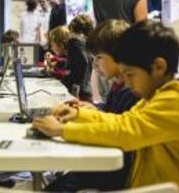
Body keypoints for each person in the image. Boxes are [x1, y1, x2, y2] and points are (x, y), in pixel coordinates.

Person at [33, 21, 179, 192]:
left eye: (130, 75)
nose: (127, 83)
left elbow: (126, 130)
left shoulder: (177, 101)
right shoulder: (155, 97)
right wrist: (78, 114)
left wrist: (62, 130)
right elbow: (121, 120)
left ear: (158, 67)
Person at [45, 19, 140, 192]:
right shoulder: (118, 87)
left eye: (99, 58)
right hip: (105, 167)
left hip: (111, 173)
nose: (95, 65)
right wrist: (92, 109)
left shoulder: (132, 93)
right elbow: (112, 114)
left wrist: (63, 130)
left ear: (120, 56)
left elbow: (117, 129)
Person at [48, 19, 93, 100]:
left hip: (80, 95)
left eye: (52, 44)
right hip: (83, 92)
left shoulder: (73, 45)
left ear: (60, 44)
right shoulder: (73, 48)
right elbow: (72, 66)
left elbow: (82, 64)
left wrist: (74, 85)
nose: (51, 48)